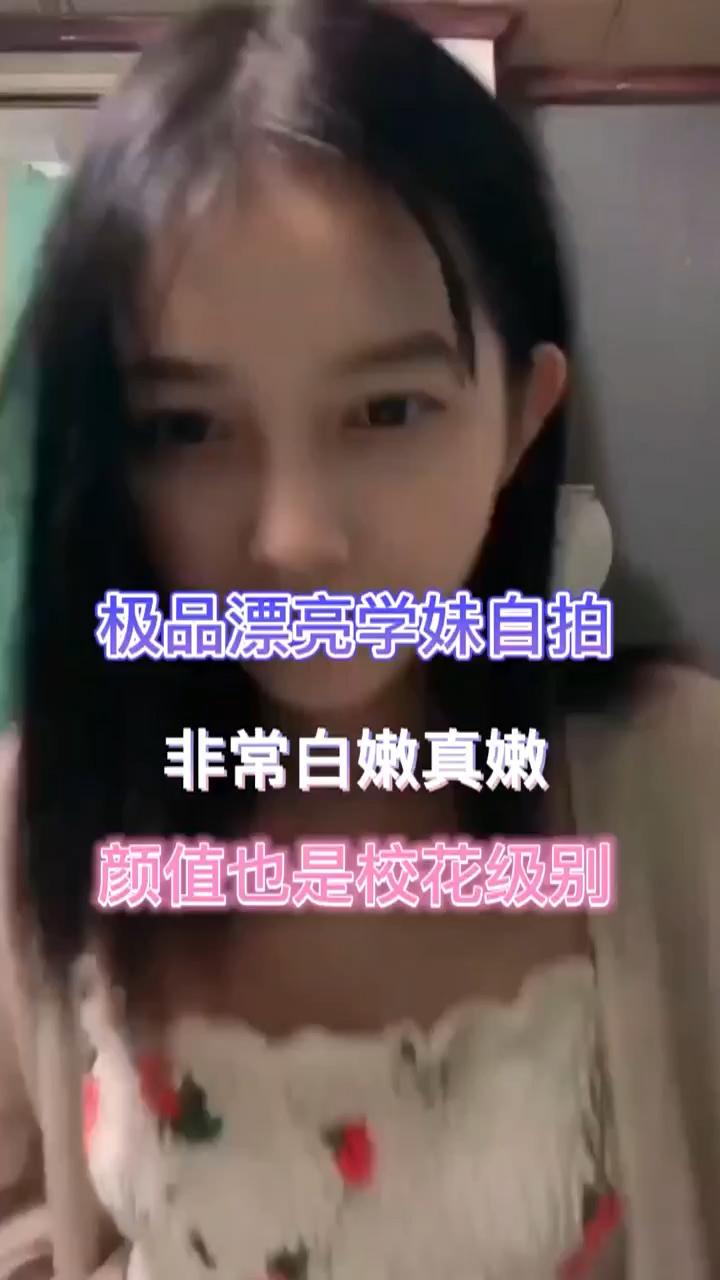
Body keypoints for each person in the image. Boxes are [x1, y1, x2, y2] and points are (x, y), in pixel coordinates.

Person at [0, 2, 718, 1278]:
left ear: (521, 416)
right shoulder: (47, 804)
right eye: (185, 428)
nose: (294, 540)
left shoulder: (678, 782)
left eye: (388, 409)